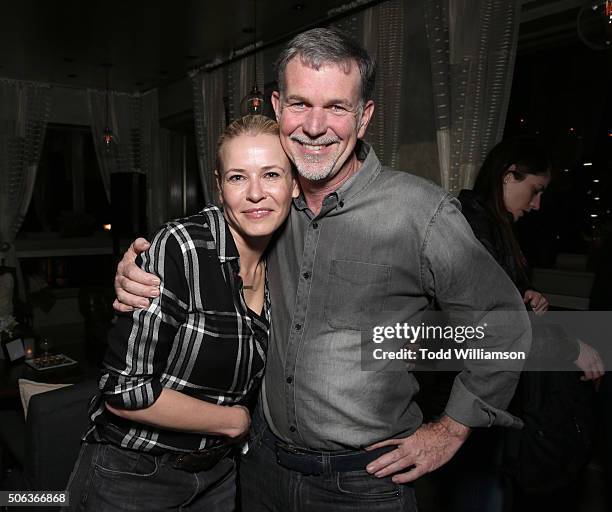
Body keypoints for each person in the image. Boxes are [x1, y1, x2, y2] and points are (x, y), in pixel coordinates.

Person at [113, 28, 531, 511]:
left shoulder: (420, 213)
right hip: (258, 469)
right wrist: (136, 273)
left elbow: (502, 323)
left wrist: (452, 427)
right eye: (299, 104)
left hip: (363, 485)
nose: (315, 126)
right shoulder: (264, 204)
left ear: (364, 116)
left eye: (336, 107)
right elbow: (187, 253)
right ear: (276, 107)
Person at [64, 115, 299, 511]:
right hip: (133, 476)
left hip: (218, 478)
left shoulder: (287, 262)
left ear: (294, 185)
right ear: (220, 187)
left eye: (272, 174)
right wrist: (231, 421)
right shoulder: (183, 247)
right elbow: (122, 392)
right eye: (238, 177)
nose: (256, 193)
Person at [451, 136, 604, 511]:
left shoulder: (497, 227)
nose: (537, 205)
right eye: (534, 191)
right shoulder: (472, 224)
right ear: (508, 176)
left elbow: (503, 299)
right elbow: (491, 320)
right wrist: (572, 348)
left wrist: (529, 296)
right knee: (481, 490)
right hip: (475, 390)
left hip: (492, 392)